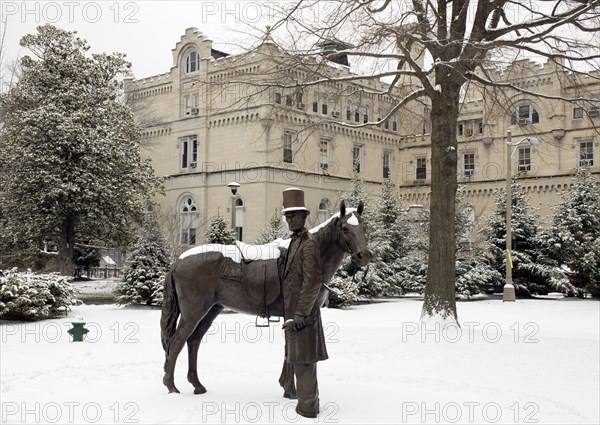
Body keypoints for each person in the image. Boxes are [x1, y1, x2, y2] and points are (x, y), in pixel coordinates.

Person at [278, 187, 328, 418]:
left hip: (303, 317)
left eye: (294, 216)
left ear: (305, 216)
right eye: (287, 216)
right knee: (299, 359)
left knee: (305, 361)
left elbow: (313, 282)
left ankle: (308, 409)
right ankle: (307, 406)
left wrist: (300, 315)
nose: (290, 220)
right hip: (295, 315)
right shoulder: (295, 242)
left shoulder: (308, 243)